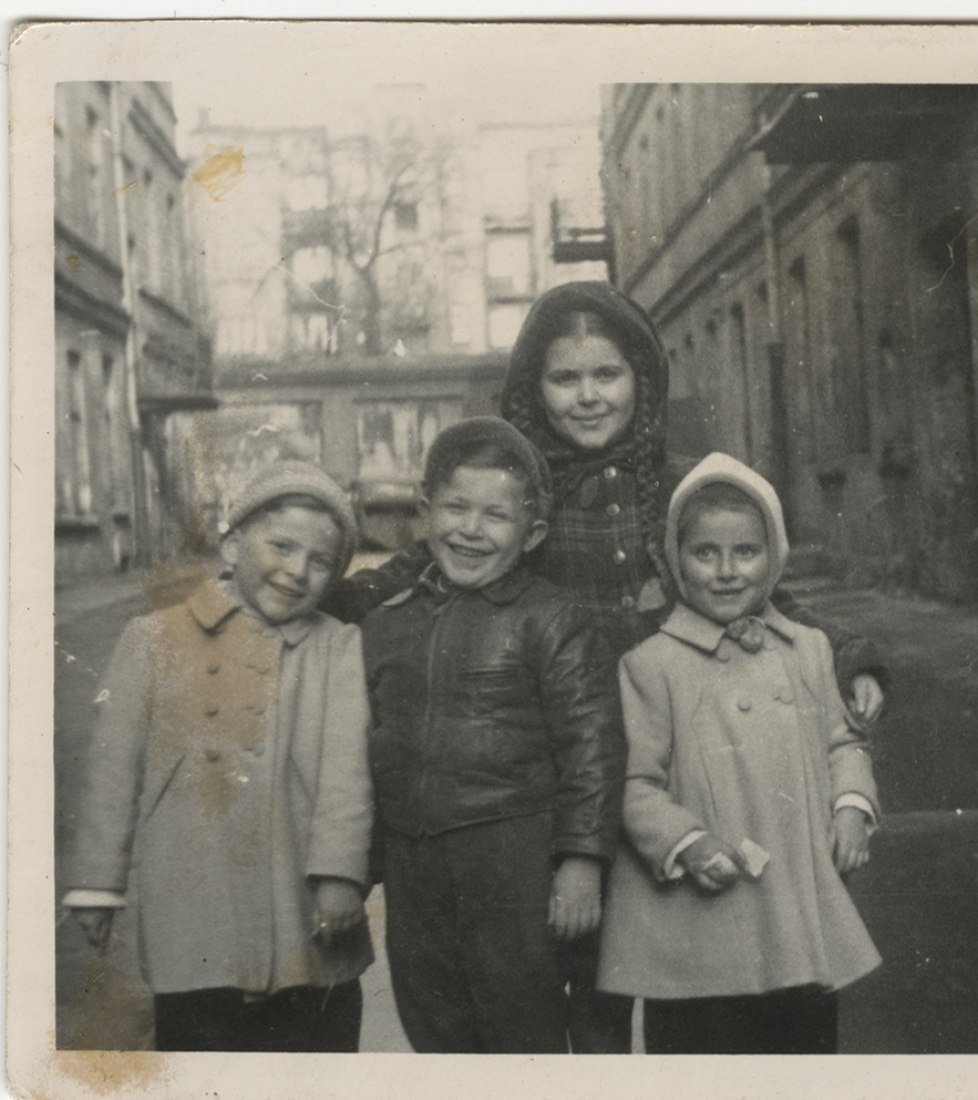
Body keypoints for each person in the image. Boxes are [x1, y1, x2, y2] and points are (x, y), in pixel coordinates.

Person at [325, 280, 887, 725]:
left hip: (683, 737)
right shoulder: (519, 492)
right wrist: (322, 595)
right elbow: (422, 564)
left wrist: (848, 657)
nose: (589, 396)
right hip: (560, 744)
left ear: (640, 379)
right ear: (534, 388)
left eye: (607, 374)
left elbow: (757, 590)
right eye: (565, 379)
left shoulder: (684, 487)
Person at [63, 461, 374, 1052]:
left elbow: (346, 772)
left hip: (303, 903)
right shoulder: (153, 639)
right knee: (199, 1049)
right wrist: (97, 883)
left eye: (320, 562)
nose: (296, 571)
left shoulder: (336, 646)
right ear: (232, 545)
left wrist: (339, 875)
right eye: (280, 546)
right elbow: (111, 770)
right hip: (193, 897)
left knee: (316, 1054)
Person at [597, 453, 881, 1055]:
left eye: (746, 553)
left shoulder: (806, 647)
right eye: (705, 554)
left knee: (803, 1053)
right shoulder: (652, 665)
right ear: (677, 560)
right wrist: (686, 841)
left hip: (795, 909)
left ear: (773, 557)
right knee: (704, 1060)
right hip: (699, 923)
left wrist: (851, 807)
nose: (727, 572)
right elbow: (634, 783)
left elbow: (843, 741)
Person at [359, 416, 626, 1054]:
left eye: (495, 516)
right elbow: (365, 748)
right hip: (415, 864)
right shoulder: (387, 624)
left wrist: (582, 864)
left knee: (520, 1024)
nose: (470, 530)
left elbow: (592, 746)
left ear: (532, 534)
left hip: (514, 862)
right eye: (454, 507)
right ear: (424, 514)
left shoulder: (551, 619)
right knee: (432, 1018)